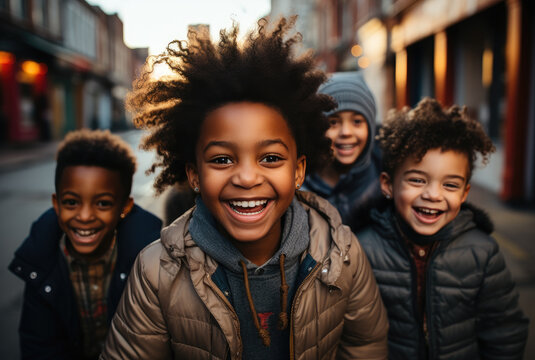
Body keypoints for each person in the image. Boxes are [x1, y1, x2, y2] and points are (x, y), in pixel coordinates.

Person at [100, 17, 388, 360]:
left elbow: (364, 347)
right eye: (222, 160)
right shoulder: (156, 272)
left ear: (298, 171)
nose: (247, 178)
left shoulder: (342, 254)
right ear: (193, 175)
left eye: (270, 158)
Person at [356, 98, 529, 359]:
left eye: (450, 185)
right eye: (417, 180)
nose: (433, 194)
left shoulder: (482, 253)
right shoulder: (363, 250)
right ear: (388, 185)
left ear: (464, 193)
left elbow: (504, 331)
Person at [9, 129, 163, 360]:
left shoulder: (150, 262)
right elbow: (39, 345)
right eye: (71, 202)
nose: (84, 216)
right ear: (56, 204)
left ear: (125, 207)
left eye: (102, 203)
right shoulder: (41, 261)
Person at [302, 71, 382, 232]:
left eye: (357, 121)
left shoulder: (384, 181)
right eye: (333, 122)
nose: (346, 132)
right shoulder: (300, 183)